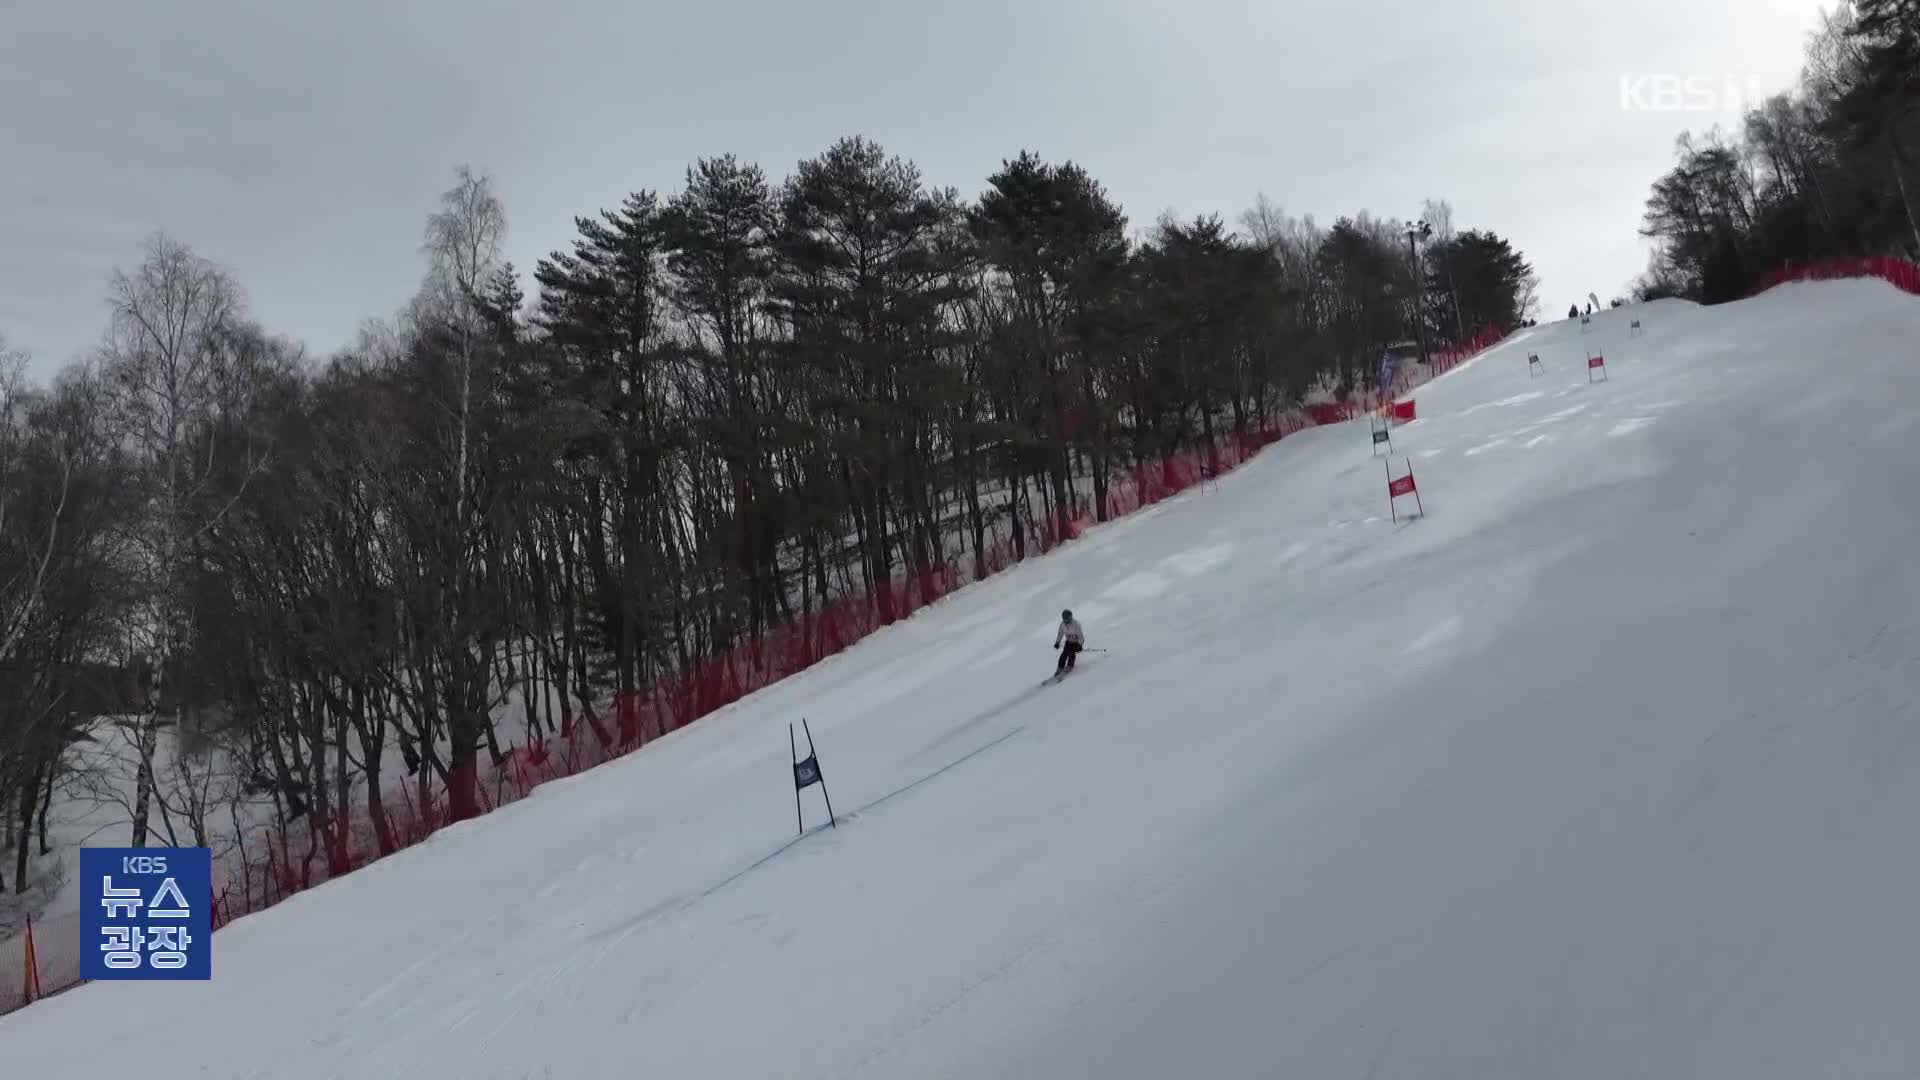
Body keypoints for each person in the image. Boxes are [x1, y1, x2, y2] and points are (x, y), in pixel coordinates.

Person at [1053, 609, 1085, 674]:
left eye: (1067, 618)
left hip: (1076, 642)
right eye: (1064, 619)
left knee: (1071, 653)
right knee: (1064, 654)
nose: (1065, 620)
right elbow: (1060, 633)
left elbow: (1080, 636)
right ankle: (1060, 668)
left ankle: (1069, 666)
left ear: (1070, 617)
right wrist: (1057, 642)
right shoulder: (1062, 624)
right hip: (1068, 642)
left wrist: (1079, 645)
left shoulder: (1076, 624)